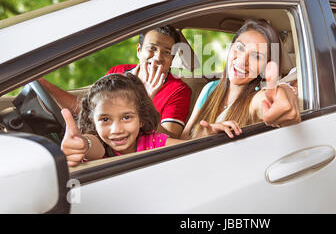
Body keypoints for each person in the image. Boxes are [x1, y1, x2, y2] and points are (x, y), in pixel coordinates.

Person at [40, 25, 192, 139]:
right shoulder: (118, 72)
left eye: (167, 52)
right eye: (152, 48)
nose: (158, 57)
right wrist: (46, 86)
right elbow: (87, 110)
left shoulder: (178, 90)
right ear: (139, 50)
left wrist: (146, 102)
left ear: (172, 59)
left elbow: (170, 138)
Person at [61, 73, 233, 167]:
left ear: (141, 119)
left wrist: (207, 137)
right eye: (105, 119)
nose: (116, 130)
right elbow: (92, 146)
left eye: (126, 117)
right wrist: (83, 144)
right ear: (93, 121)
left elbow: (187, 148)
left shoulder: (153, 141)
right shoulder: (99, 144)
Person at [181, 19, 301, 139]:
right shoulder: (210, 88)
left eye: (256, 56)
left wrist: (286, 90)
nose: (243, 61)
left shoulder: (255, 100)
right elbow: (183, 140)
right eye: (240, 47)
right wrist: (161, 136)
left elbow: (265, 102)